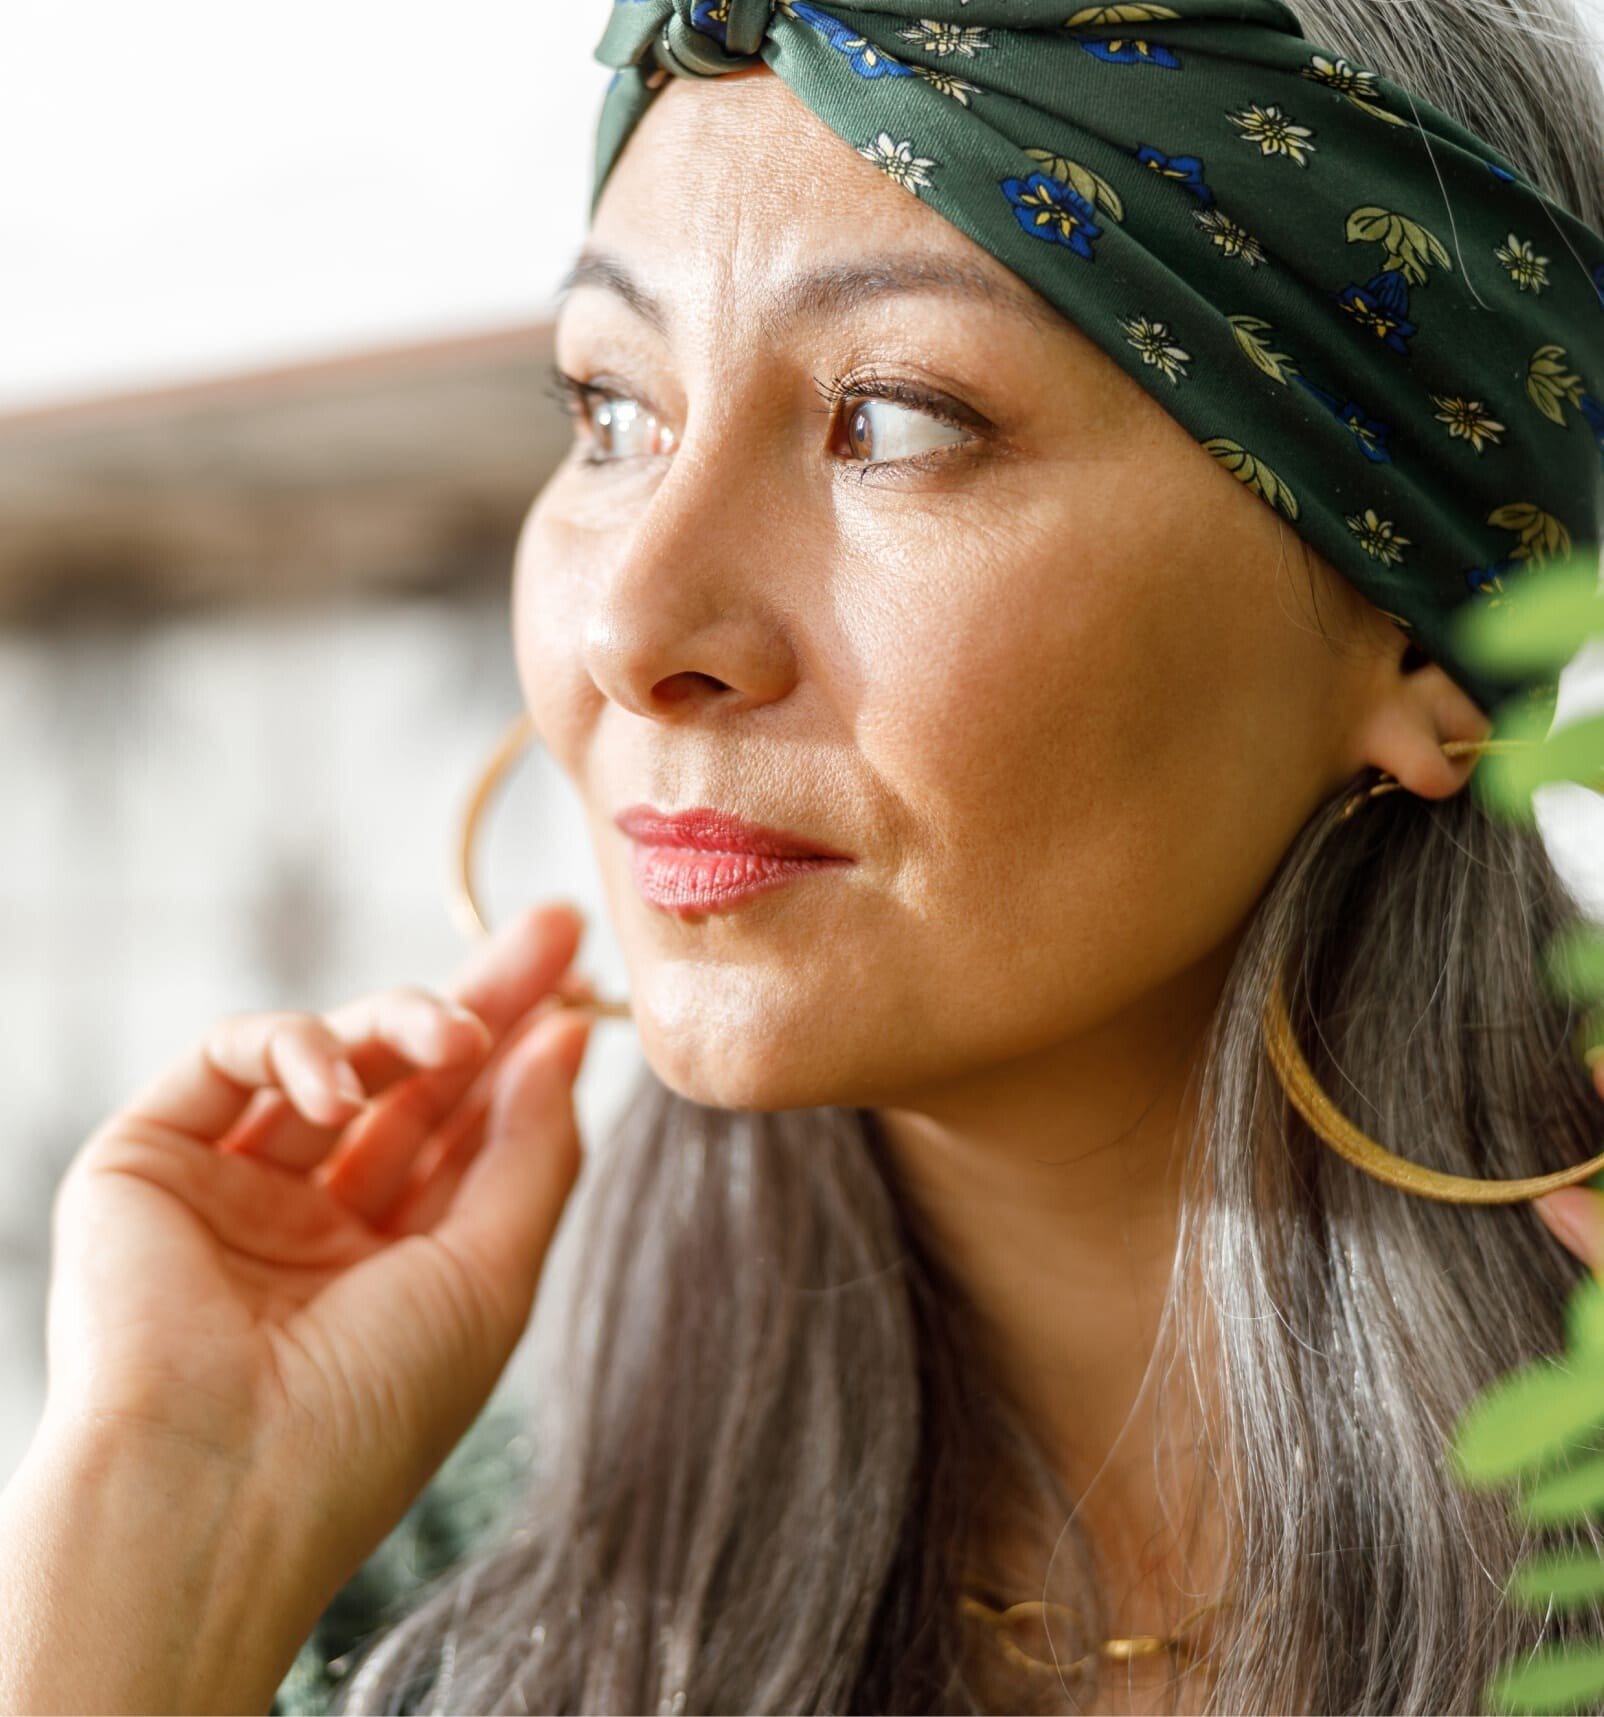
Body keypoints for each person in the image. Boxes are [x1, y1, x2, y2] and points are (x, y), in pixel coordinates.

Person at [4, 0, 1604, 1711]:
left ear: (1431, 644)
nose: (632, 621)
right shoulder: (403, 1604)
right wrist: (163, 1547)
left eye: (896, 421)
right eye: (610, 410)